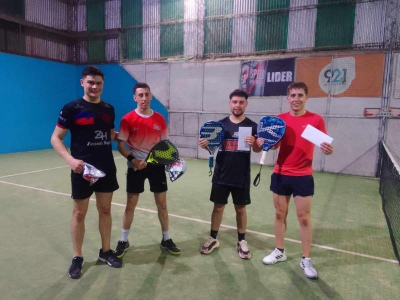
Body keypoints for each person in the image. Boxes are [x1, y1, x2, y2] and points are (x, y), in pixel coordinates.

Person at [50, 66, 122, 279]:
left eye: (98, 83)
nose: (95, 86)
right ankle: (77, 257)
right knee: (79, 213)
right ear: (82, 82)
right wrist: (70, 160)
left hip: (106, 167)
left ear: (103, 85)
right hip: (82, 170)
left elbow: (110, 135)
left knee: (105, 210)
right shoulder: (71, 108)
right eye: (90, 82)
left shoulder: (109, 109)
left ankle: (106, 251)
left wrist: (135, 134)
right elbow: (56, 138)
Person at [259, 82, 334, 279]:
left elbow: (324, 144)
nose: (296, 99)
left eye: (300, 95)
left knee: (304, 218)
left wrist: (329, 149)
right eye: (293, 95)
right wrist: (264, 141)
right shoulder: (279, 120)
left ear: (306, 98)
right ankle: (279, 251)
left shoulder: (316, 120)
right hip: (281, 173)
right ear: (288, 98)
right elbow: (274, 147)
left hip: (303, 175)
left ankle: (306, 259)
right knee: (279, 214)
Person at [114, 82, 181, 257]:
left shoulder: (159, 118)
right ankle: (123, 240)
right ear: (135, 98)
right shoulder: (128, 119)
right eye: (140, 95)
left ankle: (166, 239)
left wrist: (169, 162)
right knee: (130, 205)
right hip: (136, 167)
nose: (144, 98)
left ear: (150, 96)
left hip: (156, 166)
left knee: (162, 205)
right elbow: (121, 145)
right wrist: (134, 160)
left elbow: (165, 145)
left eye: (147, 94)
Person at [199, 89, 262, 259]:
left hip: (241, 175)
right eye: (234, 102)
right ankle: (213, 238)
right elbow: (211, 146)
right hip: (221, 174)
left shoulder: (252, 126)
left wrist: (255, 143)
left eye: (241, 102)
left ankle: (241, 241)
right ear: (230, 103)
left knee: (240, 209)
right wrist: (205, 144)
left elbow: (257, 149)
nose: (237, 105)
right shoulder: (220, 125)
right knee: (218, 207)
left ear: (246, 104)